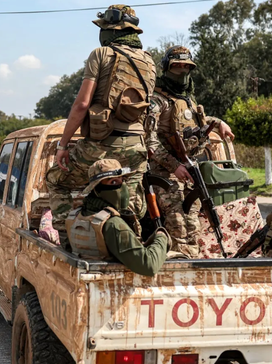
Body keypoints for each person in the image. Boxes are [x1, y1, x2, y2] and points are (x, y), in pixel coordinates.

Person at [46, 4, 156, 246]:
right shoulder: (149, 61)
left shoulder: (101, 54)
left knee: (55, 180)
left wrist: (63, 145)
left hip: (101, 145)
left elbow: (82, 105)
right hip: (136, 147)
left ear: (111, 30)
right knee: (129, 200)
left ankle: (68, 242)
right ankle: (129, 244)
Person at [146, 45, 235, 258]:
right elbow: (149, 141)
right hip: (164, 173)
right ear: (166, 68)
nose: (182, 71)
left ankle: (193, 262)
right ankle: (177, 264)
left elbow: (198, 123)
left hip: (189, 171)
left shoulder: (188, 99)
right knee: (177, 223)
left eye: (187, 67)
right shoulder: (157, 100)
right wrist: (174, 166)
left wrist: (219, 123)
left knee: (193, 223)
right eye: (177, 66)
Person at [66, 159, 170, 276]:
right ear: (97, 189)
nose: (122, 187)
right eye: (113, 182)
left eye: (123, 180)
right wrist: (161, 236)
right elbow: (148, 266)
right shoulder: (113, 224)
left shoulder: (76, 216)